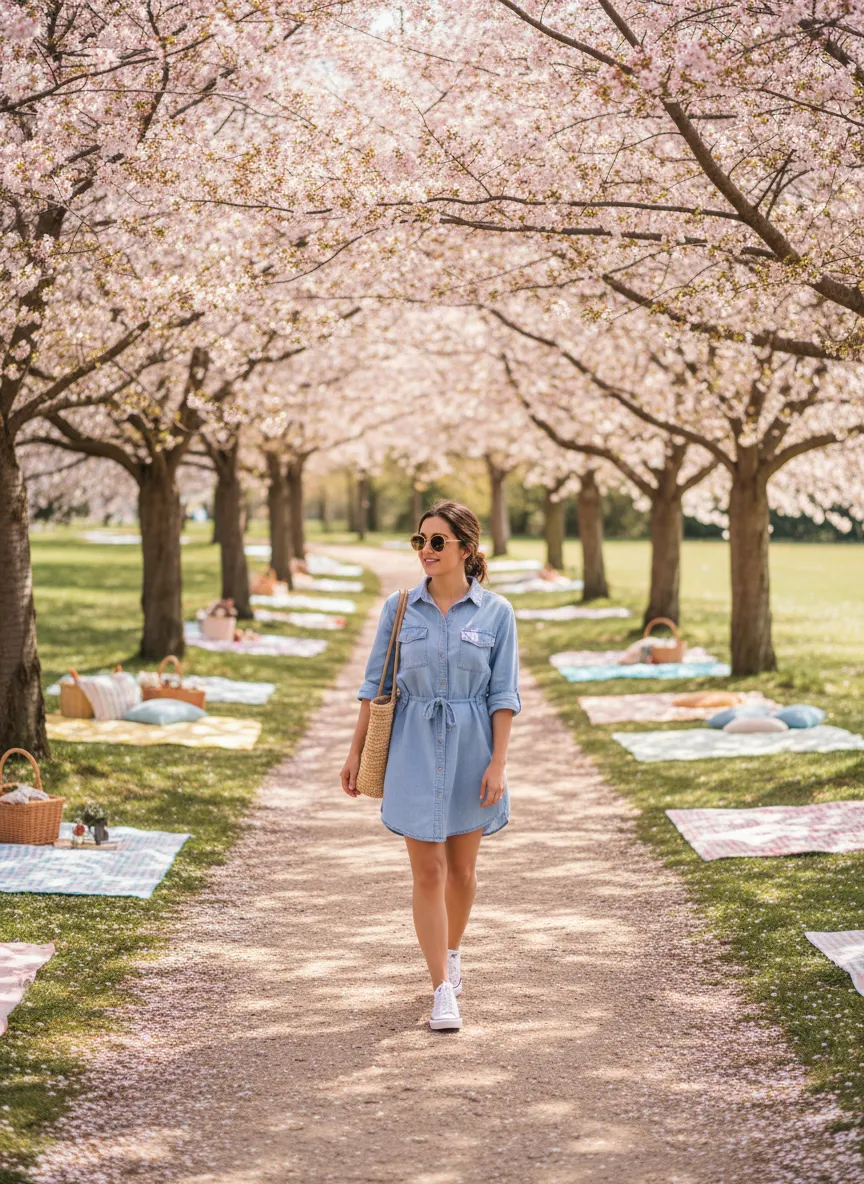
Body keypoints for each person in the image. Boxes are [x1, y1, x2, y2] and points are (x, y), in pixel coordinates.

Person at [341, 500, 521, 1031]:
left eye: (437, 541)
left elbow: (504, 695)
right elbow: (375, 689)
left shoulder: (497, 614)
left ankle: (454, 950)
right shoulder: (399, 609)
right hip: (412, 748)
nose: (426, 550)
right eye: (420, 541)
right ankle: (441, 987)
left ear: (466, 547)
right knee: (428, 871)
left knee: (463, 871)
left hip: (472, 750)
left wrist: (499, 764)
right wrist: (354, 752)